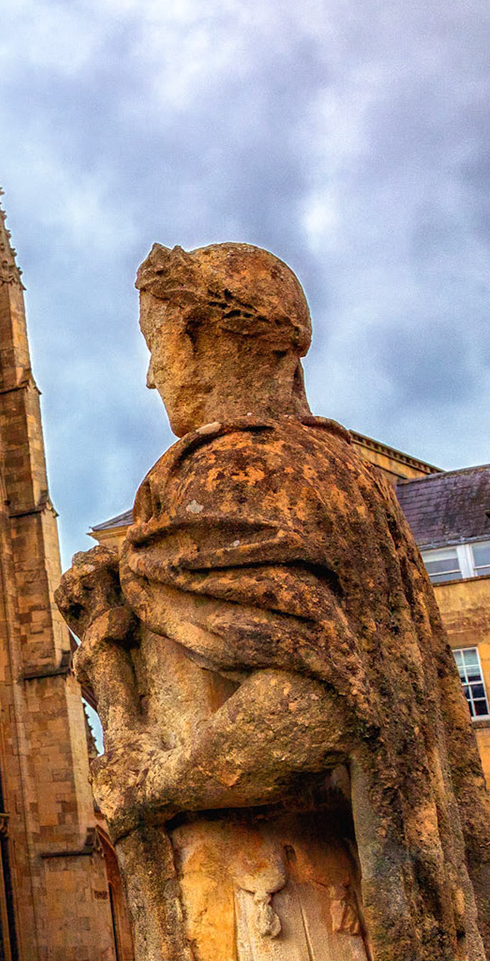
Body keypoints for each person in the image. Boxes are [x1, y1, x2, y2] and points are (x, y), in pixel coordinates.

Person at [59, 242, 490, 960]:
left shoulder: (232, 473)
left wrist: (153, 786)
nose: (151, 377)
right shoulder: (353, 479)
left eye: (157, 346)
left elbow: (311, 703)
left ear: (195, 339)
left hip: (285, 908)